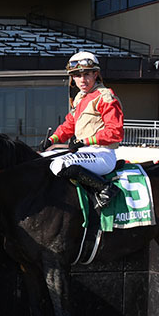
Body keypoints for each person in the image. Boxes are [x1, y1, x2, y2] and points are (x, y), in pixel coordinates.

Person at [37, 51, 124, 210]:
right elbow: (69, 125)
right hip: (84, 153)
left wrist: (86, 141)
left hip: (102, 154)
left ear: (96, 74)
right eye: (77, 75)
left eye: (87, 74)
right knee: (40, 160)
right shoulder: (80, 98)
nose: (82, 80)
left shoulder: (105, 96)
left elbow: (116, 132)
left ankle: (105, 188)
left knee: (60, 164)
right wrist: (52, 140)